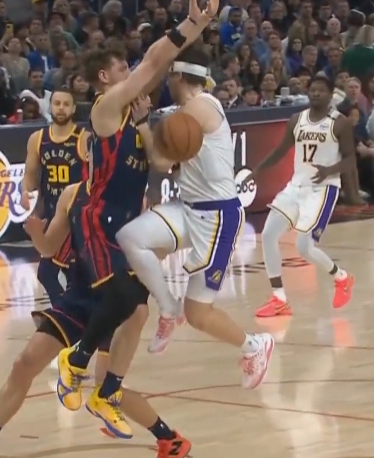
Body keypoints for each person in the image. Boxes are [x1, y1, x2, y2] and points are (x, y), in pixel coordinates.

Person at [55, 0, 219, 439]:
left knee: (139, 311)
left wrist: (148, 123)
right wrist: (194, 21)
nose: (131, 71)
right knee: (126, 297)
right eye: (121, 67)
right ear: (104, 77)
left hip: (128, 225)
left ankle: (107, 392)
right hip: (97, 219)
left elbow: (162, 164)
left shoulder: (135, 114)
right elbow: (153, 61)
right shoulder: (105, 108)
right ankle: (75, 359)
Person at [0, 183, 192, 458]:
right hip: (80, 295)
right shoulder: (73, 194)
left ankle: (170, 440)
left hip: (117, 301)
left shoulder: (131, 192)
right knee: (24, 363)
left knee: (108, 389)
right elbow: (48, 248)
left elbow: (157, 251)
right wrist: (36, 233)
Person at [114, 47, 274, 389]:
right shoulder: (189, 110)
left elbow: (160, 162)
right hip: (190, 208)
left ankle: (255, 345)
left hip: (218, 218)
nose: (166, 82)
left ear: (178, 76)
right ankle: (168, 309)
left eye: (169, 75)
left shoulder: (197, 109)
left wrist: (143, 123)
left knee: (199, 314)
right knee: (131, 237)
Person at [243, 76, 356, 318]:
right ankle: (279, 298)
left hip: (323, 189)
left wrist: (329, 170)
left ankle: (342, 278)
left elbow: (350, 159)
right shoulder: (297, 120)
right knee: (268, 235)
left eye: (321, 91)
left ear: (330, 95)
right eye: (312, 90)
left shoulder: (340, 123)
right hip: (296, 186)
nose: (315, 94)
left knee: (304, 247)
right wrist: (257, 171)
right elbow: (280, 150)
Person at [21, 89, 88, 305]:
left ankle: (65, 313)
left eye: (66, 104)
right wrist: (25, 192)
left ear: (74, 108)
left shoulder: (84, 138)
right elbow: (30, 175)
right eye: (57, 103)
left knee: (49, 272)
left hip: (76, 214)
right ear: (50, 107)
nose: (61, 108)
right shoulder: (38, 139)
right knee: (66, 274)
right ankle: (71, 313)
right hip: (51, 214)